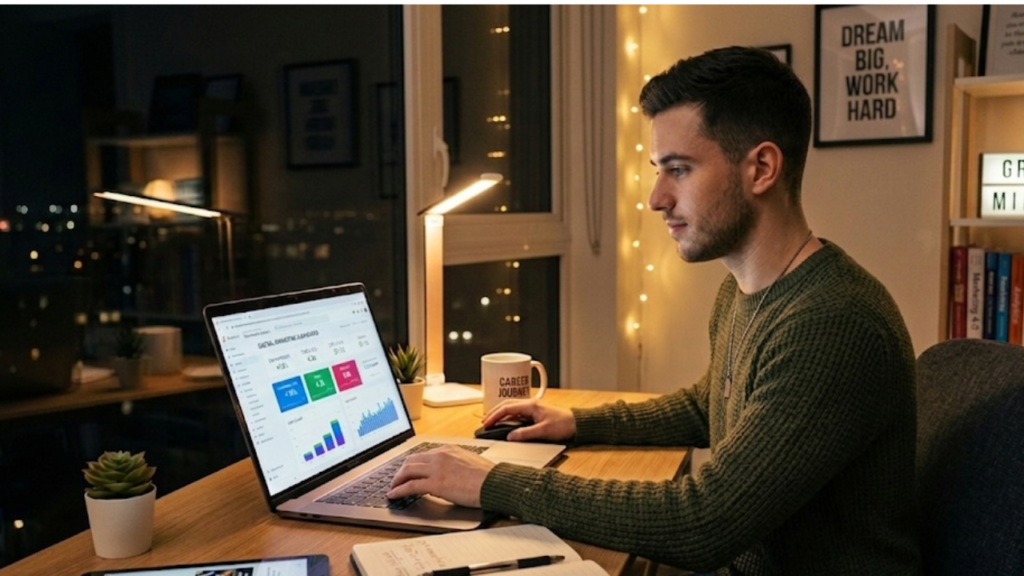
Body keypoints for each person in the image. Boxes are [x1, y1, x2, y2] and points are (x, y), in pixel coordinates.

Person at [388, 46, 920, 575]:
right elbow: (707, 406)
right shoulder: (745, 291)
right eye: (657, 170)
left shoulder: (833, 323)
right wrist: (575, 421)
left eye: (679, 170)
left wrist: (491, 482)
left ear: (761, 168)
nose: (656, 198)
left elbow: (702, 523)